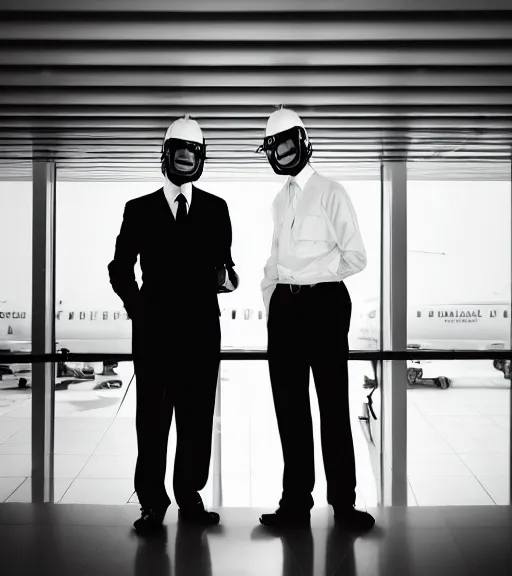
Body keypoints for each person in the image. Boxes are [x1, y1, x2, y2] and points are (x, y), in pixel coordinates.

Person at [108, 115, 238, 535]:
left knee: (197, 419)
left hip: (201, 332)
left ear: (200, 158)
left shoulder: (217, 209)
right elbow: (119, 268)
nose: (186, 158)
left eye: (192, 153)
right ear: (166, 156)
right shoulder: (139, 209)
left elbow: (227, 270)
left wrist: (227, 280)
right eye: (179, 152)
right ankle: (151, 501)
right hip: (154, 334)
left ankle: (190, 495)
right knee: (152, 419)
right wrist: (138, 308)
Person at [259, 106, 374, 531]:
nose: (282, 154)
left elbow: (356, 256)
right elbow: (274, 260)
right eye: (275, 148)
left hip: (325, 307)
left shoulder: (331, 192)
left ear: (302, 142)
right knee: (289, 411)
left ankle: (344, 505)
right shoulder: (279, 199)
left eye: (287, 144)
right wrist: (274, 302)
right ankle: (295, 503)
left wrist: (309, 279)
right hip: (286, 313)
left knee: (331, 409)